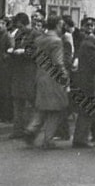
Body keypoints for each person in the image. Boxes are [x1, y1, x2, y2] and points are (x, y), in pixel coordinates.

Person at [24, 16, 69, 149]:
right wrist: (65, 76)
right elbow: (58, 62)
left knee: (42, 107)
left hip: (40, 75)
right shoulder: (56, 41)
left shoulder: (39, 39)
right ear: (57, 25)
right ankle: (48, 140)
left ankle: (31, 129)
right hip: (54, 78)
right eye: (61, 25)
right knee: (55, 109)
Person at [8, 13, 40, 138]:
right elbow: (15, 46)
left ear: (26, 23)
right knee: (17, 101)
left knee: (30, 101)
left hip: (29, 72)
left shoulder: (36, 34)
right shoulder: (19, 34)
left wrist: (25, 52)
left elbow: (38, 52)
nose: (19, 29)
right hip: (18, 71)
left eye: (21, 26)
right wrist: (12, 51)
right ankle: (17, 130)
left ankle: (29, 129)